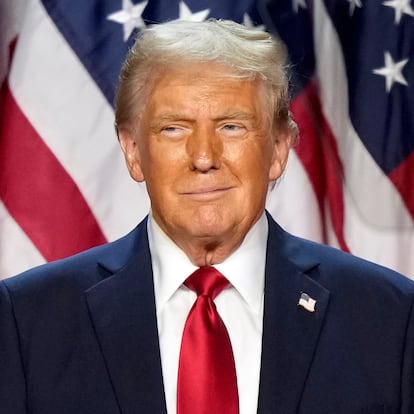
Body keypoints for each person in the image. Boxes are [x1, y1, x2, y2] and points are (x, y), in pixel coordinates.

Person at [1, 19, 413, 414]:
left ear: (279, 150)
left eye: (231, 127)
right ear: (132, 150)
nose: (203, 158)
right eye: (174, 129)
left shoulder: (389, 319)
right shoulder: (27, 321)